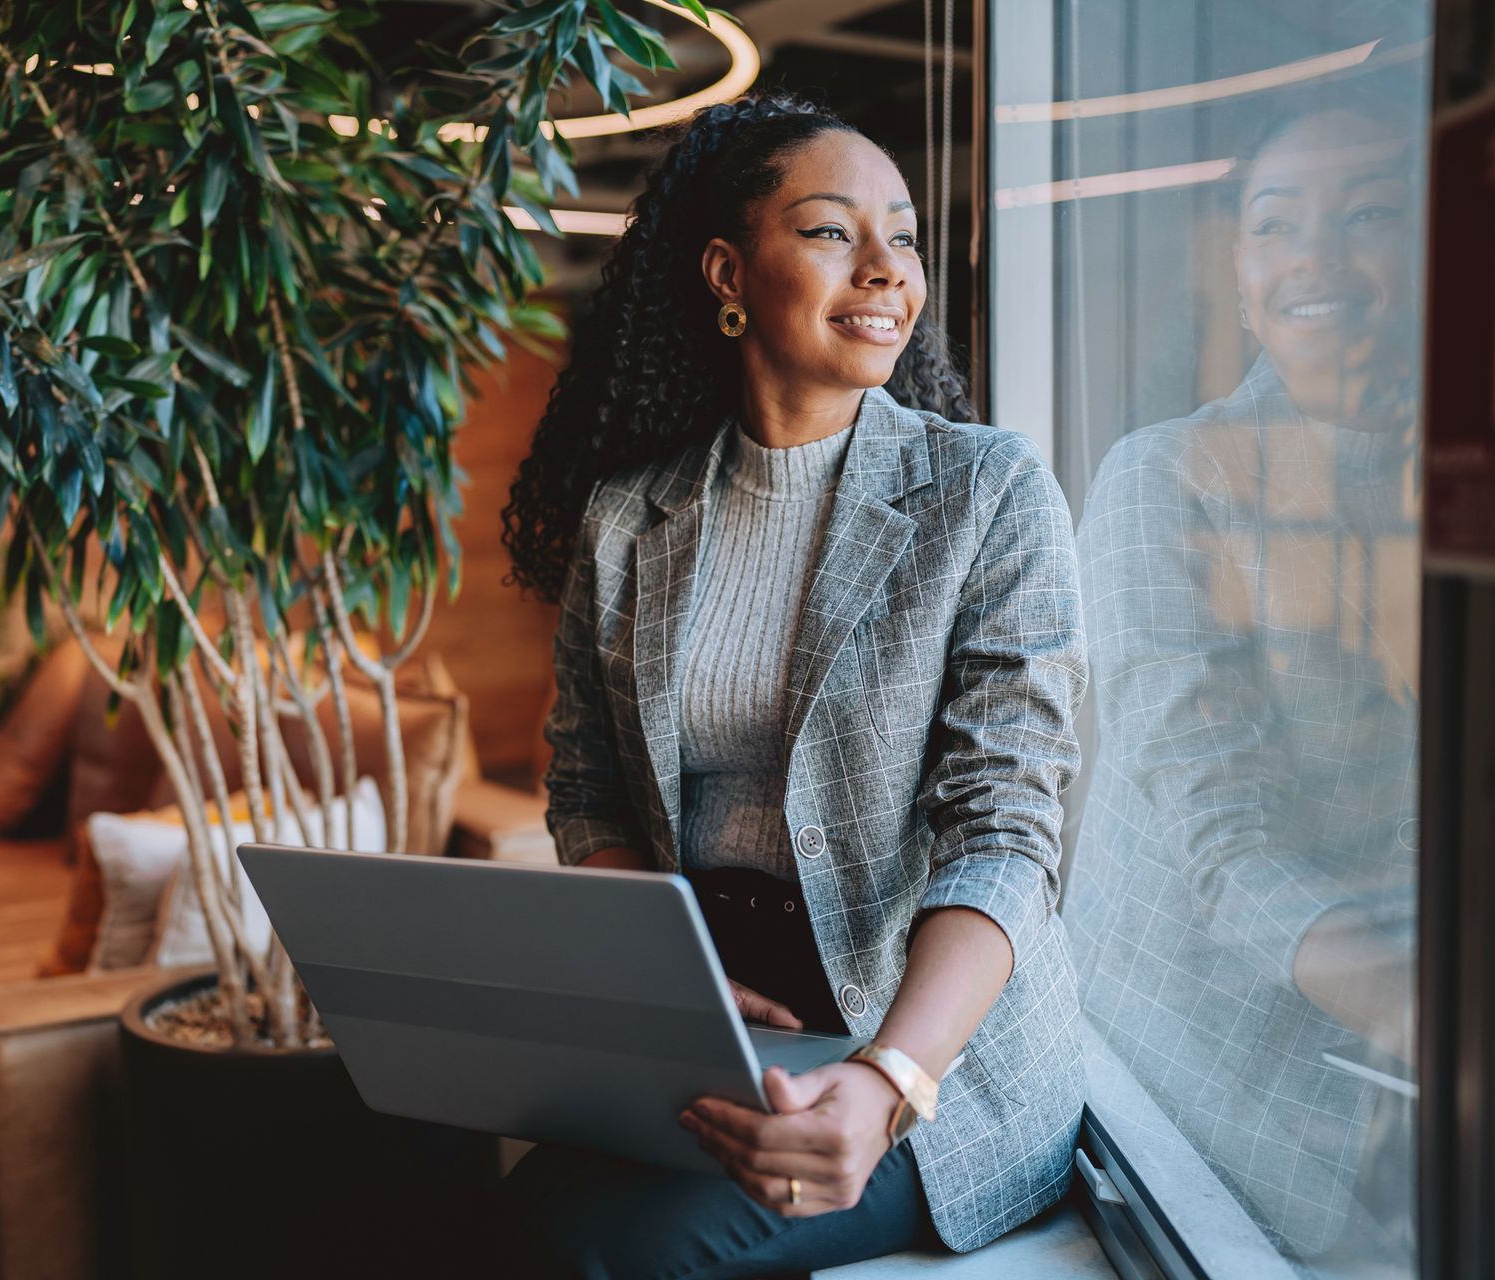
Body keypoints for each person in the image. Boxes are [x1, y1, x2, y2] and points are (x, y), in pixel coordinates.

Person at [496, 92, 1088, 1278]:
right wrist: (679, 981)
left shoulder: (988, 493)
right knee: (508, 1220)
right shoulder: (631, 517)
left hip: (928, 1052)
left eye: (905, 236)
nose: (885, 269)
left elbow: (1007, 830)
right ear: (729, 270)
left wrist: (886, 1081)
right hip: (711, 1022)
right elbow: (592, 789)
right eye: (831, 232)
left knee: (618, 1253)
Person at [1067, 88, 1421, 1267]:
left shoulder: (1452, 484)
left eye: (1369, 214)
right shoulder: (1166, 477)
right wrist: (1430, 1012)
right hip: (1199, 1084)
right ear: (1236, 274)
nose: (1315, 256)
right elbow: (1227, 845)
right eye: (1276, 223)